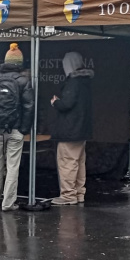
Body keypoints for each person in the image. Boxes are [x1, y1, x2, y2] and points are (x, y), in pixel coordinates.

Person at [0, 43, 34, 211]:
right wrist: (23, 129)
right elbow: (29, 107)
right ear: (20, 63)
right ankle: (8, 203)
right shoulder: (23, 81)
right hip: (15, 130)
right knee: (12, 167)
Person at [50, 51, 94, 206]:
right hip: (82, 130)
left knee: (67, 162)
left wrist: (55, 102)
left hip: (70, 130)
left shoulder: (73, 82)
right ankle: (79, 193)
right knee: (79, 162)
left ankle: (68, 195)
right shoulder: (86, 81)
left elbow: (67, 104)